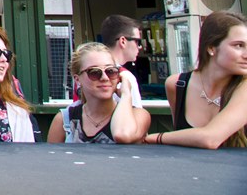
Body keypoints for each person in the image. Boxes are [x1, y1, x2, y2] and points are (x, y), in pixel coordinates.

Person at [145, 11, 247, 149]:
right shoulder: (177, 85)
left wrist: (156, 138)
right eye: (239, 45)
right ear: (211, 48)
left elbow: (210, 138)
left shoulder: (243, 87)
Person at [47, 42, 145, 144]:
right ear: (77, 79)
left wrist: (126, 94)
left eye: (110, 71)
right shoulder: (65, 119)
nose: (105, 78)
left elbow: (122, 135)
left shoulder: (138, 115)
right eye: (94, 72)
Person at [93, 13, 151, 136]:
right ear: (123, 41)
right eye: (137, 41)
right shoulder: (125, 77)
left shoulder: (88, 73)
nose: (140, 47)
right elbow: (136, 123)